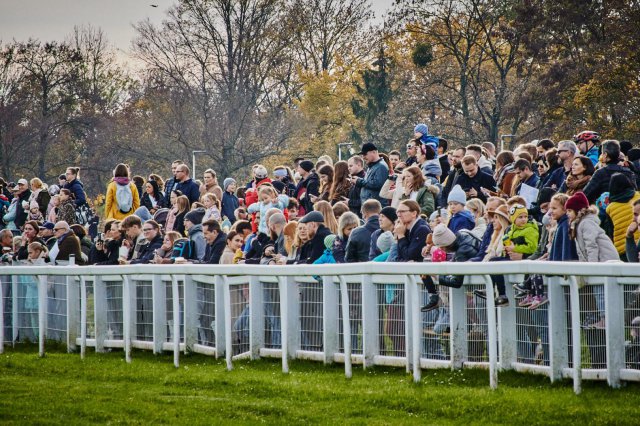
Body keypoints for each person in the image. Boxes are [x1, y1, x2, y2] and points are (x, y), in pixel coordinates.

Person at [421, 223, 481, 311]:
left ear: (445, 245)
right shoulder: (462, 234)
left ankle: (434, 298)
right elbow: (454, 261)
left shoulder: (462, 252)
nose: (441, 250)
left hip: (481, 286)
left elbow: (456, 282)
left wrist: (435, 275)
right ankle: (434, 298)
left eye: (441, 248)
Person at [605, 173, 640, 258]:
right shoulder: (638, 196)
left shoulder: (610, 208)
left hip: (622, 248)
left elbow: (610, 231)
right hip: (638, 242)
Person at [351, 142, 389, 207]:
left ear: (374, 152)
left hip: (376, 208)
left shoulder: (381, 166)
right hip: (369, 207)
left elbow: (377, 184)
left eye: (365, 154)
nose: (363, 157)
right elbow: (369, 183)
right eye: (362, 155)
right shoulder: (371, 166)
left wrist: (359, 181)